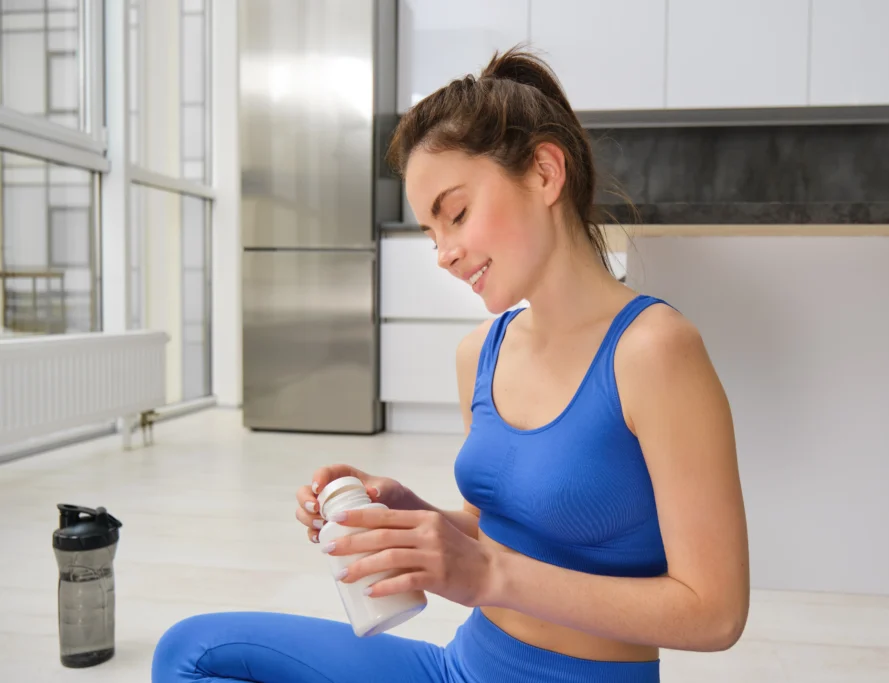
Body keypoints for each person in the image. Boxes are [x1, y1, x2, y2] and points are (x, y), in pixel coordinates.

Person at [152, 47, 749, 683]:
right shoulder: (481, 356)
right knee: (189, 652)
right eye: (431, 234)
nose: (443, 253)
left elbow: (715, 614)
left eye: (456, 214)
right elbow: (504, 534)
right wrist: (414, 517)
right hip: (464, 667)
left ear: (546, 173)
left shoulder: (655, 350)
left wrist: (486, 575)